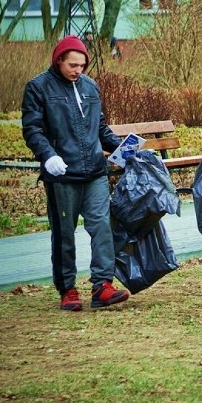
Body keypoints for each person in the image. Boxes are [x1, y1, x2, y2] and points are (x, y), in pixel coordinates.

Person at [21, 35, 129, 311]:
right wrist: (48, 155)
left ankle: (102, 286)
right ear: (58, 61)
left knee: (102, 227)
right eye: (72, 65)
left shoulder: (90, 87)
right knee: (64, 233)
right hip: (62, 174)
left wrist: (125, 150)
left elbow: (100, 129)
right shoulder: (38, 88)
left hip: (94, 171)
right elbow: (33, 129)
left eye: (82, 65)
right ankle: (67, 289)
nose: (78, 70)